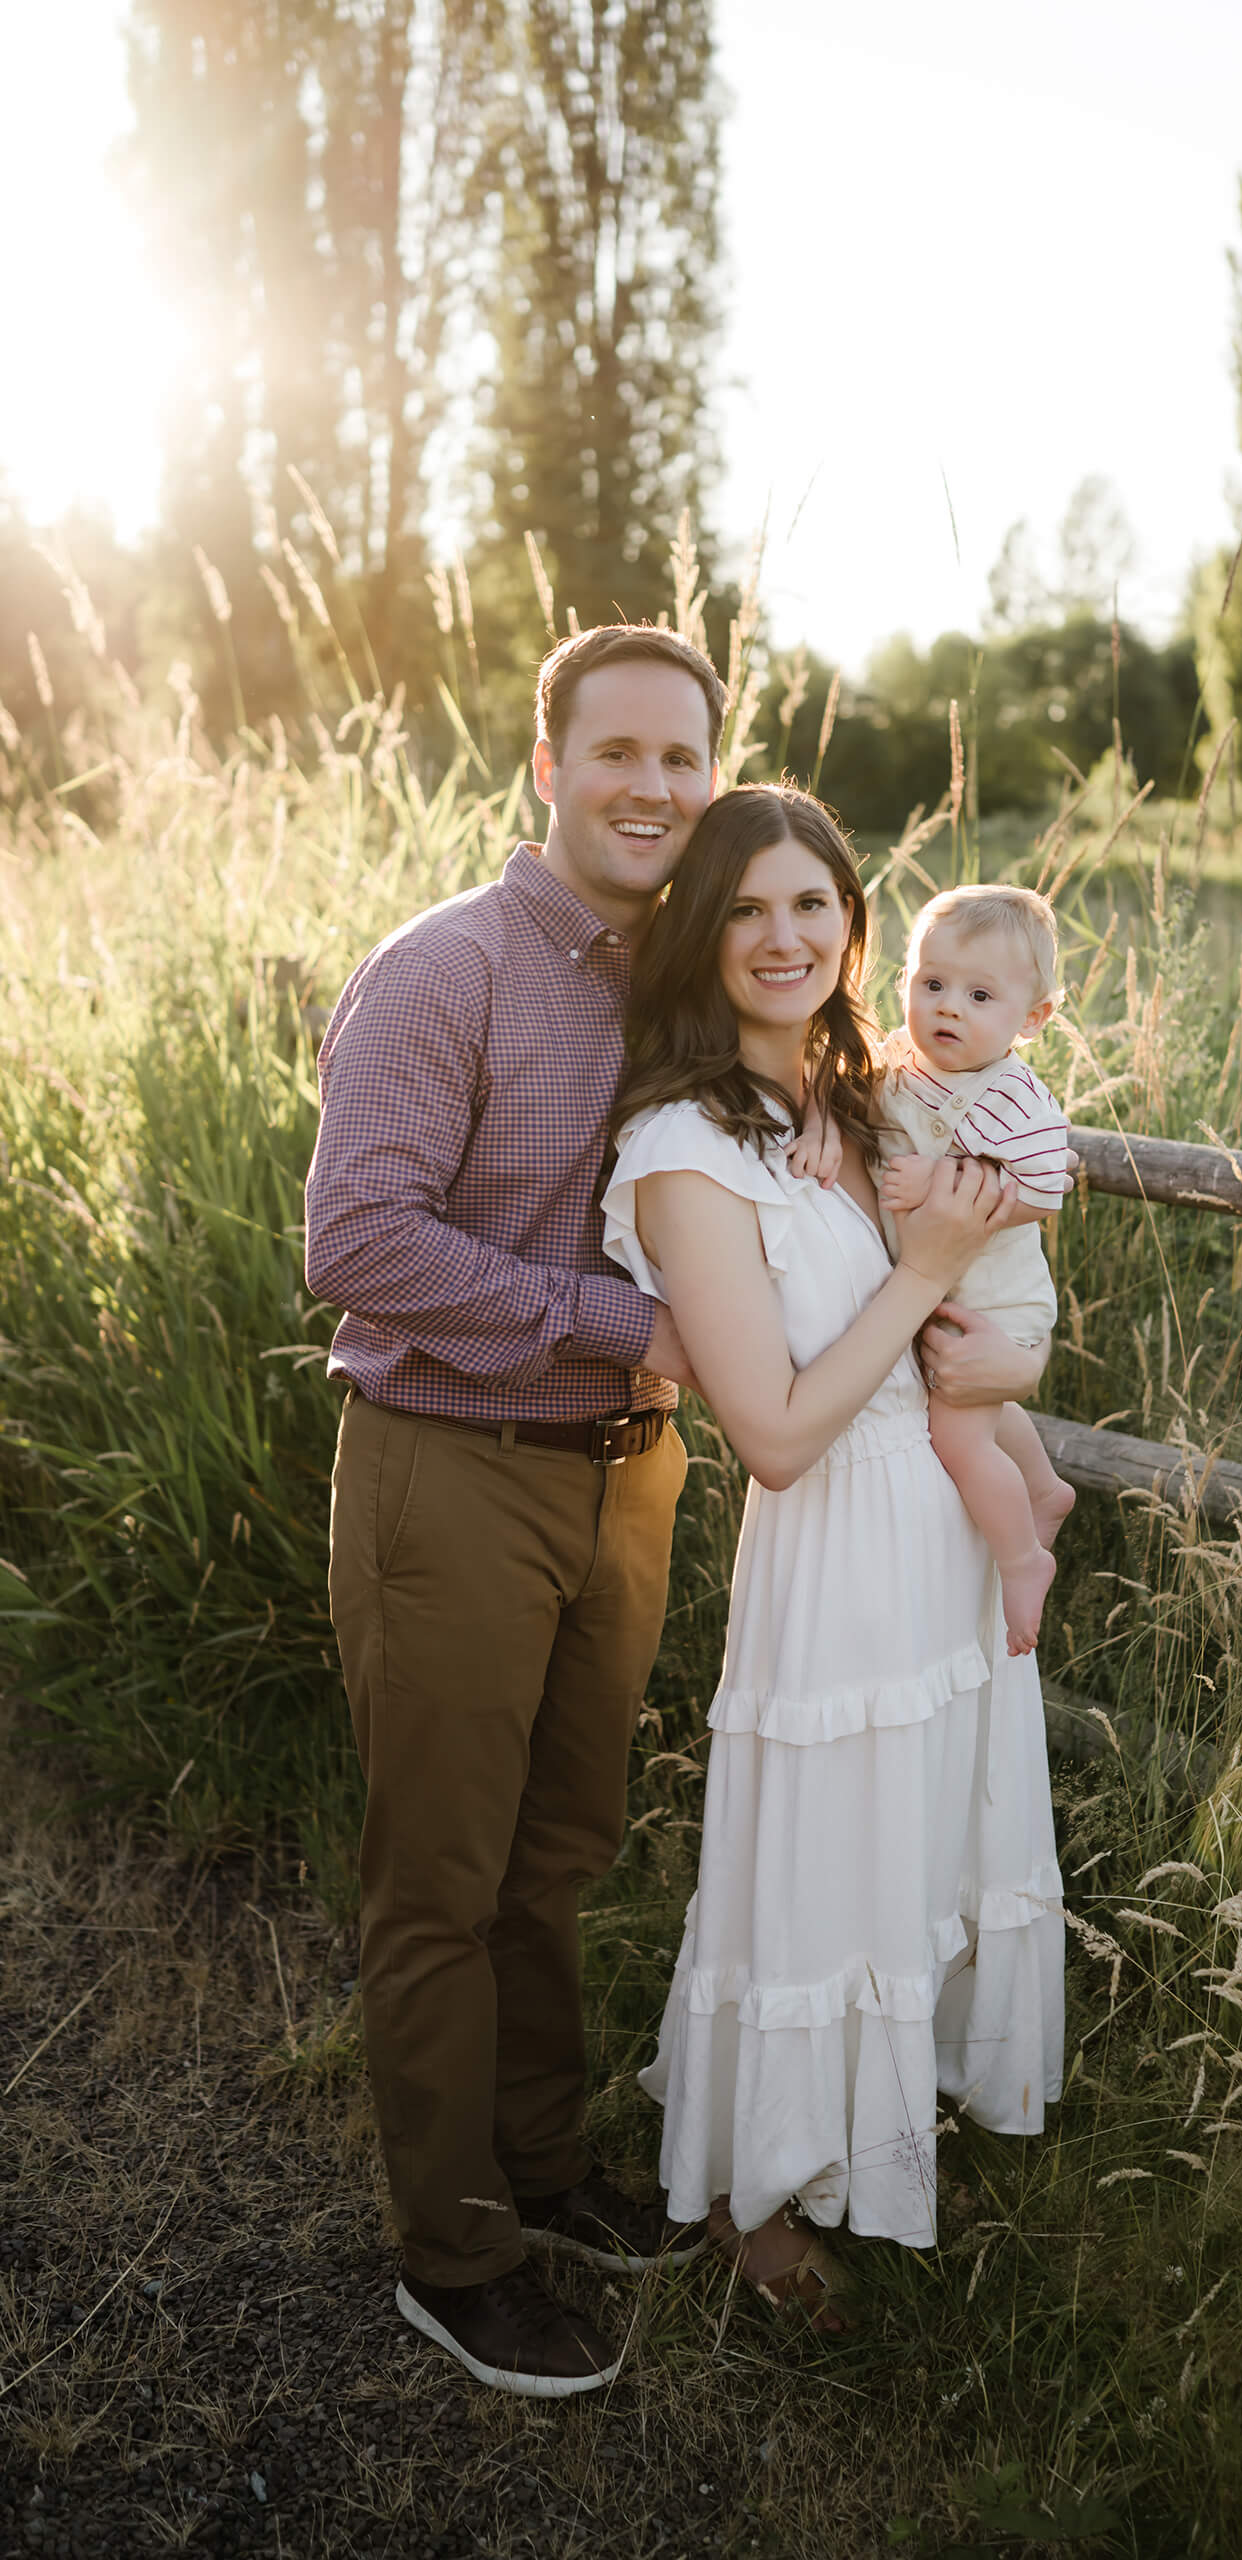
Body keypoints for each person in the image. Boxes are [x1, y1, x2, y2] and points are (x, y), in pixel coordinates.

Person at [303, 623, 726, 2399]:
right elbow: (360, 1244)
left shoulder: (694, 979)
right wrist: (625, 1327)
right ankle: (450, 2255)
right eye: (613, 751)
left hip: (627, 1483)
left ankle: (541, 2175)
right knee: (442, 1881)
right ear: (544, 765)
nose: (646, 785)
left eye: (679, 759)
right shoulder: (446, 972)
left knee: (559, 1860)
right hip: (452, 1472)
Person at [602, 783, 1065, 2329]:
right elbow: (777, 1433)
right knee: (817, 1863)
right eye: (745, 908)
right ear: (701, 932)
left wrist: (963, 1295)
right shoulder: (681, 1149)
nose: (783, 935)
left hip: (935, 1527)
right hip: (833, 1540)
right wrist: (927, 1262)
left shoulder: (862, 1094)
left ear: (852, 922)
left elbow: (976, 1285)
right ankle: (756, 2189)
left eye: (811, 904)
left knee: (917, 1839)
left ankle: (887, 2121)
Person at [796, 884, 1077, 1656]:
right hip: (936, 1295)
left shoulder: (1015, 1100)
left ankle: (1024, 1560)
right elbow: (829, 1082)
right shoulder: (895, 1063)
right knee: (979, 1408)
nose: (948, 1007)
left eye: (979, 995)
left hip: (995, 1304)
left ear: (1031, 1019)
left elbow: (1042, 1194)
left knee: (957, 1436)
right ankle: (1045, 1488)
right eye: (932, 985)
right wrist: (820, 1121)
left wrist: (941, 1182)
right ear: (905, 985)